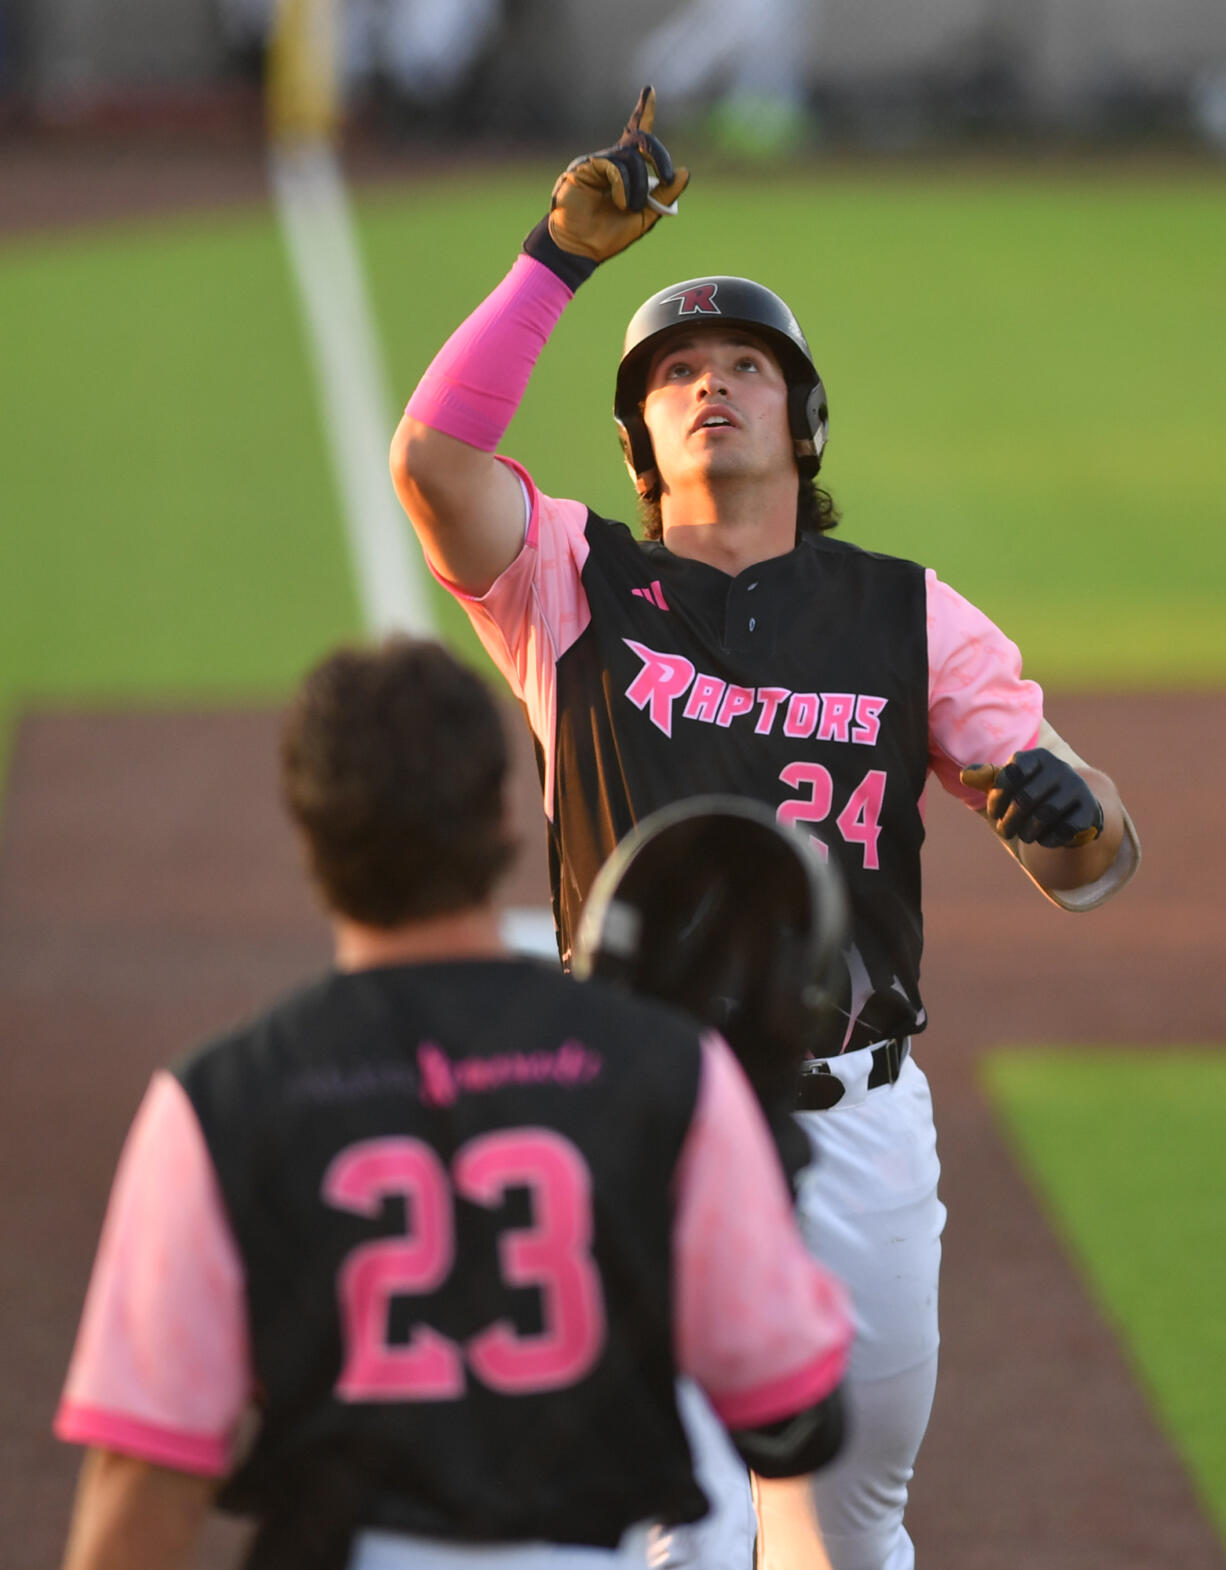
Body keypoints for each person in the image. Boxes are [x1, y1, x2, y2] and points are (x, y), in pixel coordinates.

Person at [388, 87, 1142, 1570]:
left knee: (846, 1532)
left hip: (851, 1121)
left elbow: (1092, 863)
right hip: (637, 1112)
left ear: (802, 418)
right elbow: (433, 464)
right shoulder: (567, 585)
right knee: (680, 1528)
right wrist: (554, 261)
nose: (710, 384)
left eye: (745, 363)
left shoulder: (907, 615)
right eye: (674, 374)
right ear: (635, 439)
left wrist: (1066, 814)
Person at [53, 636, 854, 1570]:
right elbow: (790, 1422)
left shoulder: (217, 1102)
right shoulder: (666, 1075)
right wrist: (764, 1165)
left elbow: (146, 1476)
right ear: (507, 816)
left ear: (308, 830)